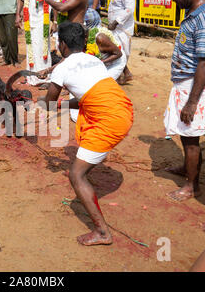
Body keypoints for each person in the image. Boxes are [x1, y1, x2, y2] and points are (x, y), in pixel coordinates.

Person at [41, 22, 133, 246]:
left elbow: (48, 104)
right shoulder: (94, 60)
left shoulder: (62, 69)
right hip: (124, 110)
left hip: (110, 121)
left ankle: (102, 232)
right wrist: (61, 104)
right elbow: (86, 96)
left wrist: (42, 102)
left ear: (62, 44)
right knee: (80, 165)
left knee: (76, 175)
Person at [163, 0, 205, 201]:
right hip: (185, 83)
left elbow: (204, 63)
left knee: (191, 138)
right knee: (185, 134)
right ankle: (189, 169)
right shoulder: (194, 10)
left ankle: (191, 186)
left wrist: (192, 102)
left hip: (195, 86)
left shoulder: (204, 19)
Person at [15, 0, 59, 86]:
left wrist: (54, 22)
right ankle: (31, 76)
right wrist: (17, 15)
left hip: (42, 22)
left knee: (42, 49)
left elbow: (55, 2)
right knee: (31, 49)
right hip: (29, 20)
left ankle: (44, 77)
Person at [108, 0, 135, 85]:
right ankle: (125, 74)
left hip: (122, 28)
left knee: (121, 52)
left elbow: (129, 9)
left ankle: (123, 74)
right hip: (117, 28)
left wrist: (116, 22)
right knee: (118, 50)